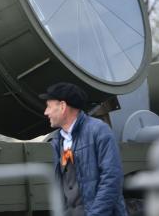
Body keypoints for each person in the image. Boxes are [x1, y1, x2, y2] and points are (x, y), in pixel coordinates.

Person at [39, 82, 127, 216]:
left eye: (49, 106)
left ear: (62, 106)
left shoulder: (99, 130)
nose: (46, 112)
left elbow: (112, 178)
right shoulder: (58, 140)